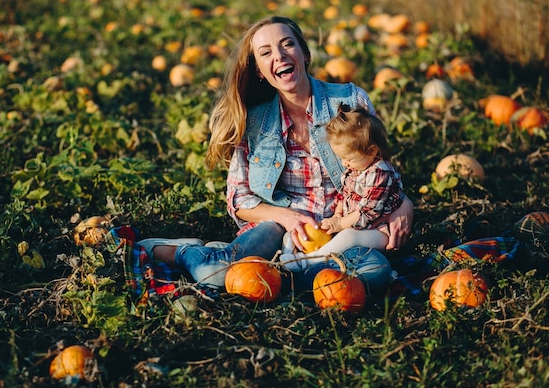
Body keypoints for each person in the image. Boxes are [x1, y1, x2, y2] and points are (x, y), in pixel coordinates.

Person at [138, 16, 414, 296]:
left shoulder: (349, 102)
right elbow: (238, 200)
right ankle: (184, 252)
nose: (279, 56)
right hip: (276, 228)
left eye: (287, 45)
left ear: (304, 54)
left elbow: (379, 168)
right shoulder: (254, 122)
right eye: (266, 52)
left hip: (338, 232)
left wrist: (405, 205)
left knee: (375, 271)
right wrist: (288, 217)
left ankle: (282, 273)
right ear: (259, 70)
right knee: (213, 274)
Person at [279, 104, 407, 272]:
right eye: (341, 158)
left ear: (372, 150)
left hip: (379, 231)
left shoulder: (381, 175)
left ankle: (308, 262)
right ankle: (288, 253)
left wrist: (339, 224)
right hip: (352, 223)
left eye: (349, 159)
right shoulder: (357, 168)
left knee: (348, 237)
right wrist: (337, 215)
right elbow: (344, 195)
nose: (345, 163)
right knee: (313, 231)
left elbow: (367, 212)